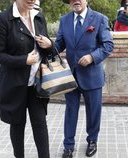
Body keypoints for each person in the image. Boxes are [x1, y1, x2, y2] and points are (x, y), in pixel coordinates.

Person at [0, 0, 53, 158]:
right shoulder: (4, 19)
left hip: (37, 84)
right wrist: (23, 60)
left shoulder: (39, 16)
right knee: (17, 126)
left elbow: (47, 52)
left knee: (40, 124)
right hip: (14, 85)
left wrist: (50, 45)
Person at [54, 0, 114, 157]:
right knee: (70, 111)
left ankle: (92, 140)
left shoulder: (100, 19)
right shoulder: (64, 20)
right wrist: (48, 46)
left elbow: (108, 45)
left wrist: (92, 57)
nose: (76, 1)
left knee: (94, 112)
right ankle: (68, 146)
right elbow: (59, 45)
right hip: (70, 77)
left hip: (92, 76)